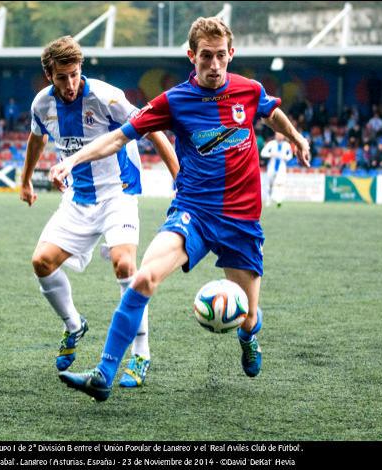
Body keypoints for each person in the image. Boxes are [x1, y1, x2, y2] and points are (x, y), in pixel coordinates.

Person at [49, 17, 310, 401]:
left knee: (249, 316)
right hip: (194, 213)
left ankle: (248, 334)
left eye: (222, 56)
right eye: (207, 56)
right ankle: (104, 374)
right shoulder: (173, 101)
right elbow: (117, 138)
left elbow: (271, 113)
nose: (215, 65)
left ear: (231, 55)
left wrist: (297, 137)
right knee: (142, 279)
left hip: (242, 222)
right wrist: (70, 162)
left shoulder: (248, 91)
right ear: (192, 56)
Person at [21, 36, 178, 388]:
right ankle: (74, 325)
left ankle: (140, 353)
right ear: (49, 75)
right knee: (41, 262)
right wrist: (26, 181)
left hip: (118, 192)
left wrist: (178, 177)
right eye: (62, 77)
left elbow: (152, 131)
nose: (70, 84)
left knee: (125, 264)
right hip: (78, 197)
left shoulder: (108, 97)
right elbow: (36, 139)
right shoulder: (41, 105)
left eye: (75, 74)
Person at [261, 132, 293, 208]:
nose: (280, 136)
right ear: (275, 135)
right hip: (271, 166)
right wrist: (270, 154)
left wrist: (286, 157)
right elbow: (263, 153)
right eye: (278, 135)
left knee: (280, 183)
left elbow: (290, 156)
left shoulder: (286, 145)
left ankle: (279, 200)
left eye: (281, 135)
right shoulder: (271, 144)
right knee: (269, 184)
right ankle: (268, 199)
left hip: (281, 167)